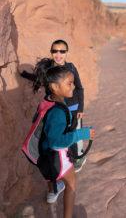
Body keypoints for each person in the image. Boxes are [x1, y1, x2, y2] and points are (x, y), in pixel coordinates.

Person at [20, 39, 87, 202]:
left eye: (62, 51)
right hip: (56, 109)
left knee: (72, 139)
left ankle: (73, 162)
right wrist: (26, 75)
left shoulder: (71, 68)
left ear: (67, 52)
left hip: (72, 109)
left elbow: (79, 88)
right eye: (55, 51)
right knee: (56, 141)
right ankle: (59, 176)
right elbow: (40, 78)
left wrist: (80, 109)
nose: (58, 54)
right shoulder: (49, 68)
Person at [34, 62, 95, 218]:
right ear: (54, 87)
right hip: (57, 156)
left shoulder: (47, 100)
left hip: (45, 153)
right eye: (69, 83)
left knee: (54, 177)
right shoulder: (58, 112)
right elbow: (57, 142)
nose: (73, 87)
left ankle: (53, 190)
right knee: (72, 185)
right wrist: (83, 134)